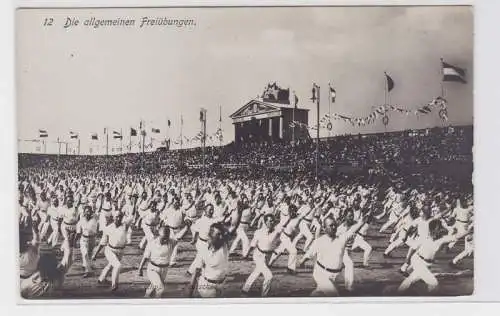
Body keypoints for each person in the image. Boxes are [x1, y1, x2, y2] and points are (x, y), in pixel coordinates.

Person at [298, 210, 371, 296]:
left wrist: (361, 221)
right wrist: (302, 261)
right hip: (321, 274)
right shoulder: (319, 241)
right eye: (330, 225)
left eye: (334, 225)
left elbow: (352, 229)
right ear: (324, 228)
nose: (333, 227)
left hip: (335, 276)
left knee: (319, 293)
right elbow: (309, 254)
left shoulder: (342, 239)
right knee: (334, 295)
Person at [188, 200, 243, 298]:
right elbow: (196, 273)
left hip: (221, 285)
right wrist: (189, 294)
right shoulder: (203, 250)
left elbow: (233, 227)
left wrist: (239, 212)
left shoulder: (224, 245)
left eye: (222, 235)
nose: (221, 237)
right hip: (206, 286)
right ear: (211, 236)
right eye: (218, 235)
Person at [397, 219, 458, 294]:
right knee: (434, 283)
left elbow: (456, 236)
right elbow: (412, 248)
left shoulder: (442, 239)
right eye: (439, 228)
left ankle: (398, 293)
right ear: (433, 229)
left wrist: (470, 230)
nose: (441, 229)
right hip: (418, 261)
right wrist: (407, 261)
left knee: (412, 278)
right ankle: (429, 299)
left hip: (427, 264)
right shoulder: (424, 237)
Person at [242, 214, 289, 296]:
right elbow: (252, 245)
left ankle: (245, 288)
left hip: (268, 256)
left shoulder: (277, 231)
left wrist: (278, 250)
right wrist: (246, 254)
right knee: (269, 276)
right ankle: (264, 295)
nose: (272, 222)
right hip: (258, 256)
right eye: (269, 221)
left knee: (257, 271)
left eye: (273, 221)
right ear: (265, 222)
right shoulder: (259, 232)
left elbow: (284, 234)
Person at [137, 225, 189, 298]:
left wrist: (186, 228)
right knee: (160, 288)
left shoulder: (171, 242)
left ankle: (146, 295)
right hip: (152, 269)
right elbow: (145, 257)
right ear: (159, 234)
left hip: (164, 269)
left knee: (155, 284)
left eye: (167, 238)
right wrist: (140, 269)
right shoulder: (152, 243)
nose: (165, 240)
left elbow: (180, 236)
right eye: (163, 238)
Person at [92, 212, 131, 291]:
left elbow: (131, 216)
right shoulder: (108, 228)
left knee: (111, 265)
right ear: (113, 217)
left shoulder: (125, 226)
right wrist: (95, 254)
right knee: (117, 265)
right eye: (117, 217)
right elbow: (102, 243)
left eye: (120, 217)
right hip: (110, 250)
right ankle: (114, 285)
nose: (118, 218)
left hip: (120, 251)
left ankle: (101, 279)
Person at [76, 205, 98, 277]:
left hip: (92, 239)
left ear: (91, 212)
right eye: (86, 212)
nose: (87, 213)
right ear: (84, 213)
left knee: (89, 254)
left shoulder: (95, 219)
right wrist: (75, 241)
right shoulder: (81, 220)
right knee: (84, 253)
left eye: (89, 211)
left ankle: (86, 265)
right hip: (84, 239)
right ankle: (88, 271)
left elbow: (98, 228)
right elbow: (78, 232)